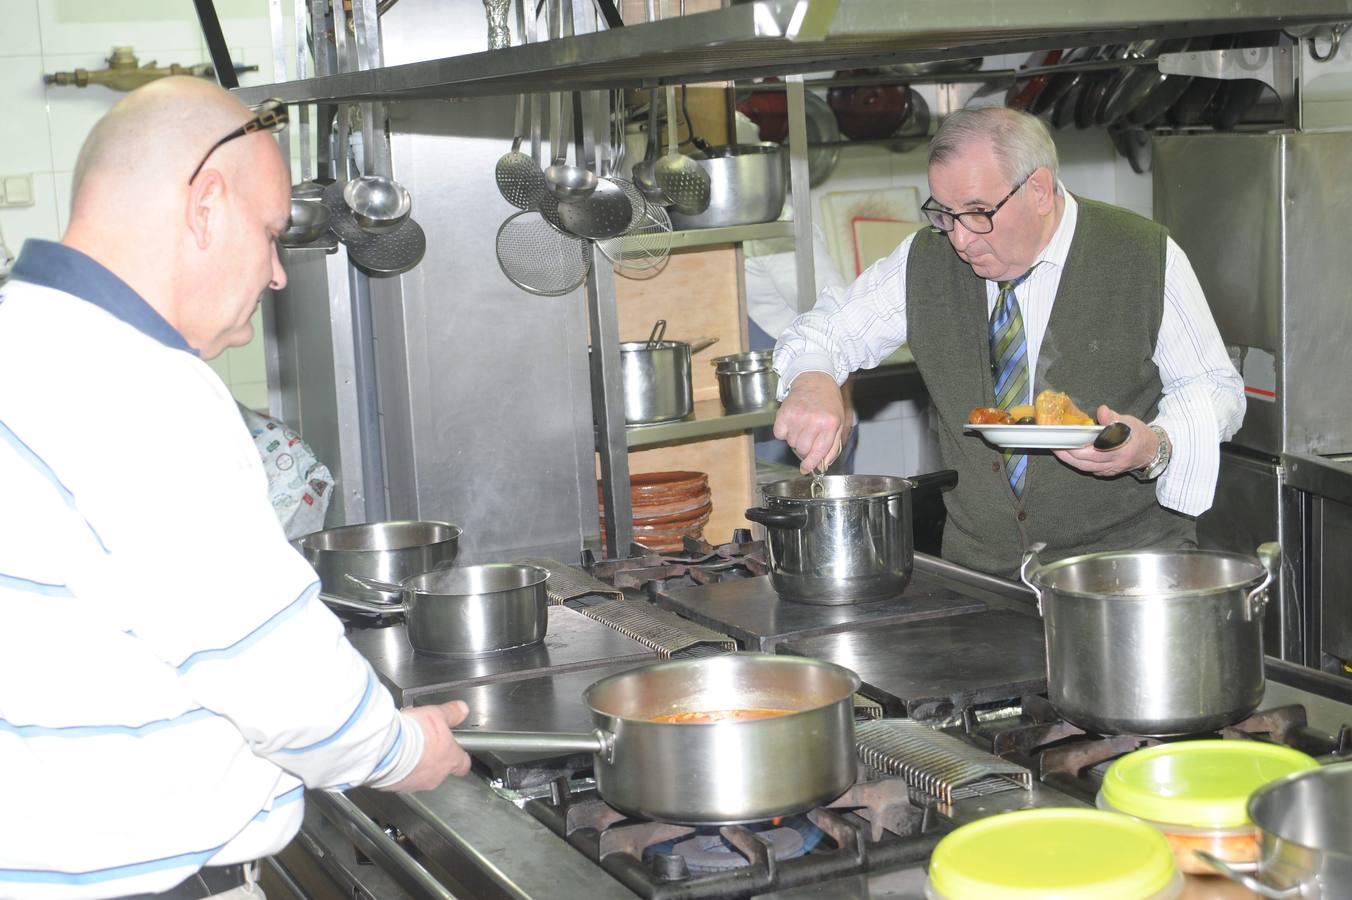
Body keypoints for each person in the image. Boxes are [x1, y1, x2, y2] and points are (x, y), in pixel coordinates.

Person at [0, 77, 471, 899]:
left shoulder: (23, 333)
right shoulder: (134, 384)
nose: (279, 274)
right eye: (271, 232)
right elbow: (273, 675)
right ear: (206, 206)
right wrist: (403, 749)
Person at [772, 106, 1244, 578]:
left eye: (978, 212)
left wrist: (1154, 446)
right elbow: (828, 329)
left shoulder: (1142, 255)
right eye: (944, 213)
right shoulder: (925, 260)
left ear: (1038, 190)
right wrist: (813, 379)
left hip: (1125, 574)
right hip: (984, 579)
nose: (959, 238)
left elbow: (1216, 387)